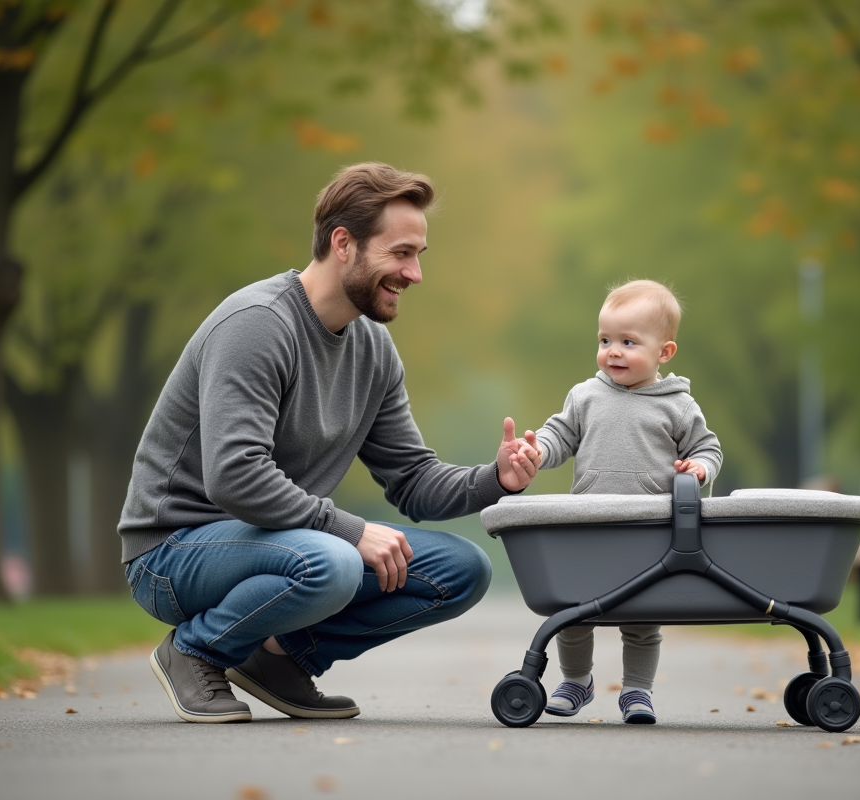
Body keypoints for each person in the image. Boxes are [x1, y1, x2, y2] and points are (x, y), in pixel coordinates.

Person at [118, 162, 541, 723]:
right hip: (173, 553)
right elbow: (236, 474)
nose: (414, 273)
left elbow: (413, 482)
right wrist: (350, 530)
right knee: (336, 561)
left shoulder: (373, 350)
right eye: (401, 253)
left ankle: (280, 659)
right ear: (344, 243)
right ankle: (194, 650)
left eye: (418, 255)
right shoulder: (258, 324)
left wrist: (495, 479)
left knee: (462, 569)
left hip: (283, 543)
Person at [528, 279, 722, 724]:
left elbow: (707, 448)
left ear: (664, 352)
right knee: (573, 610)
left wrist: (699, 468)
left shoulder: (679, 406)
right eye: (605, 340)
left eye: (628, 342)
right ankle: (576, 680)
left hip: (649, 530)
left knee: (641, 618)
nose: (613, 351)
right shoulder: (585, 396)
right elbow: (560, 435)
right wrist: (538, 451)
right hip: (590, 524)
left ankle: (637, 691)